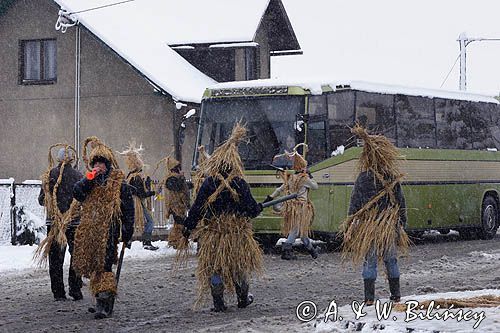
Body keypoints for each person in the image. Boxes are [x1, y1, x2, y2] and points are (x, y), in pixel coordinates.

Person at [181, 123, 264, 312]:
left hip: (214, 235)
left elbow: (198, 208)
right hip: (235, 235)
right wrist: (257, 208)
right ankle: (242, 298)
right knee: (238, 265)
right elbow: (251, 209)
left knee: (214, 267)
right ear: (234, 162)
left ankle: (218, 302)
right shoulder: (239, 183)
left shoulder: (209, 183)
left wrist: (188, 226)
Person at [341, 124, 409, 305]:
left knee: (369, 261)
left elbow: (355, 203)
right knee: (391, 260)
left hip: (369, 228)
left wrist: (350, 224)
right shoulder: (391, 177)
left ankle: (369, 299)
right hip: (388, 227)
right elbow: (400, 203)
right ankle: (395, 296)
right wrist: (402, 223)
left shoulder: (363, 178)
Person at [72, 136, 135, 319]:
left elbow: (128, 209)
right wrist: (89, 178)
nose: (98, 166)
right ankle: (102, 300)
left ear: (108, 165)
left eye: (102, 163)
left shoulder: (118, 183)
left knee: (105, 266)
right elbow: (77, 193)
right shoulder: (90, 181)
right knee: (96, 268)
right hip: (91, 232)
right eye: (96, 163)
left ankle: (103, 303)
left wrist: (127, 231)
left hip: (109, 232)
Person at [36, 145, 83, 301]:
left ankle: (58, 293)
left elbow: (41, 200)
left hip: (55, 222)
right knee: (76, 255)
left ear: (58, 159)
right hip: (74, 222)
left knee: (55, 258)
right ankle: (75, 289)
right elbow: (84, 197)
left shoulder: (49, 175)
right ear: (71, 159)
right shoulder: (78, 176)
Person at [266, 143, 319, 260]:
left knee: (302, 231)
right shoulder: (304, 179)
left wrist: (270, 198)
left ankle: (312, 251)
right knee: (296, 230)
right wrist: (310, 176)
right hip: (301, 208)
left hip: (292, 207)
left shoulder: (291, 178)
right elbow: (315, 187)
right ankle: (287, 250)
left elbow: (279, 189)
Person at [120, 142, 158, 251]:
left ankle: (128, 242)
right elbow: (141, 193)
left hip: (131, 202)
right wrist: (152, 192)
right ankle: (146, 242)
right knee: (149, 221)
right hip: (137, 203)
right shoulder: (137, 177)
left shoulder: (130, 176)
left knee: (131, 222)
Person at [158, 156, 191, 249]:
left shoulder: (173, 178)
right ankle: (176, 241)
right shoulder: (172, 179)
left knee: (179, 223)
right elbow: (178, 188)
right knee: (180, 223)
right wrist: (182, 178)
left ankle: (176, 241)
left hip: (178, 205)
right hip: (176, 205)